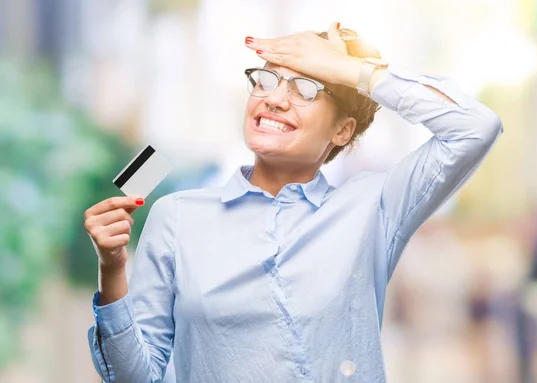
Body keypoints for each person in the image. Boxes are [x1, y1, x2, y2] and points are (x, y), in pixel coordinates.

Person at [84, 22, 502, 382]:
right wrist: (113, 269)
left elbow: (475, 127)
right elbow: (134, 378)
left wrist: (351, 70)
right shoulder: (176, 218)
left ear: (343, 130)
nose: (275, 99)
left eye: (306, 87)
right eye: (266, 81)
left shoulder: (374, 208)